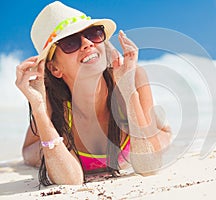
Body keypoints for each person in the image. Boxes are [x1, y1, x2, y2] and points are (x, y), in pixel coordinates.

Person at [15, 1, 171, 186]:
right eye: (70, 42)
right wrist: (39, 110)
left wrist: (128, 89)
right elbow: (70, 180)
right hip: (57, 128)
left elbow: (149, 166)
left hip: (141, 128)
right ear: (55, 68)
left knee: (161, 136)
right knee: (35, 153)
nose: (87, 44)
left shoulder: (132, 77)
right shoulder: (52, 102)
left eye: (93, 34)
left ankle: (159, 121)